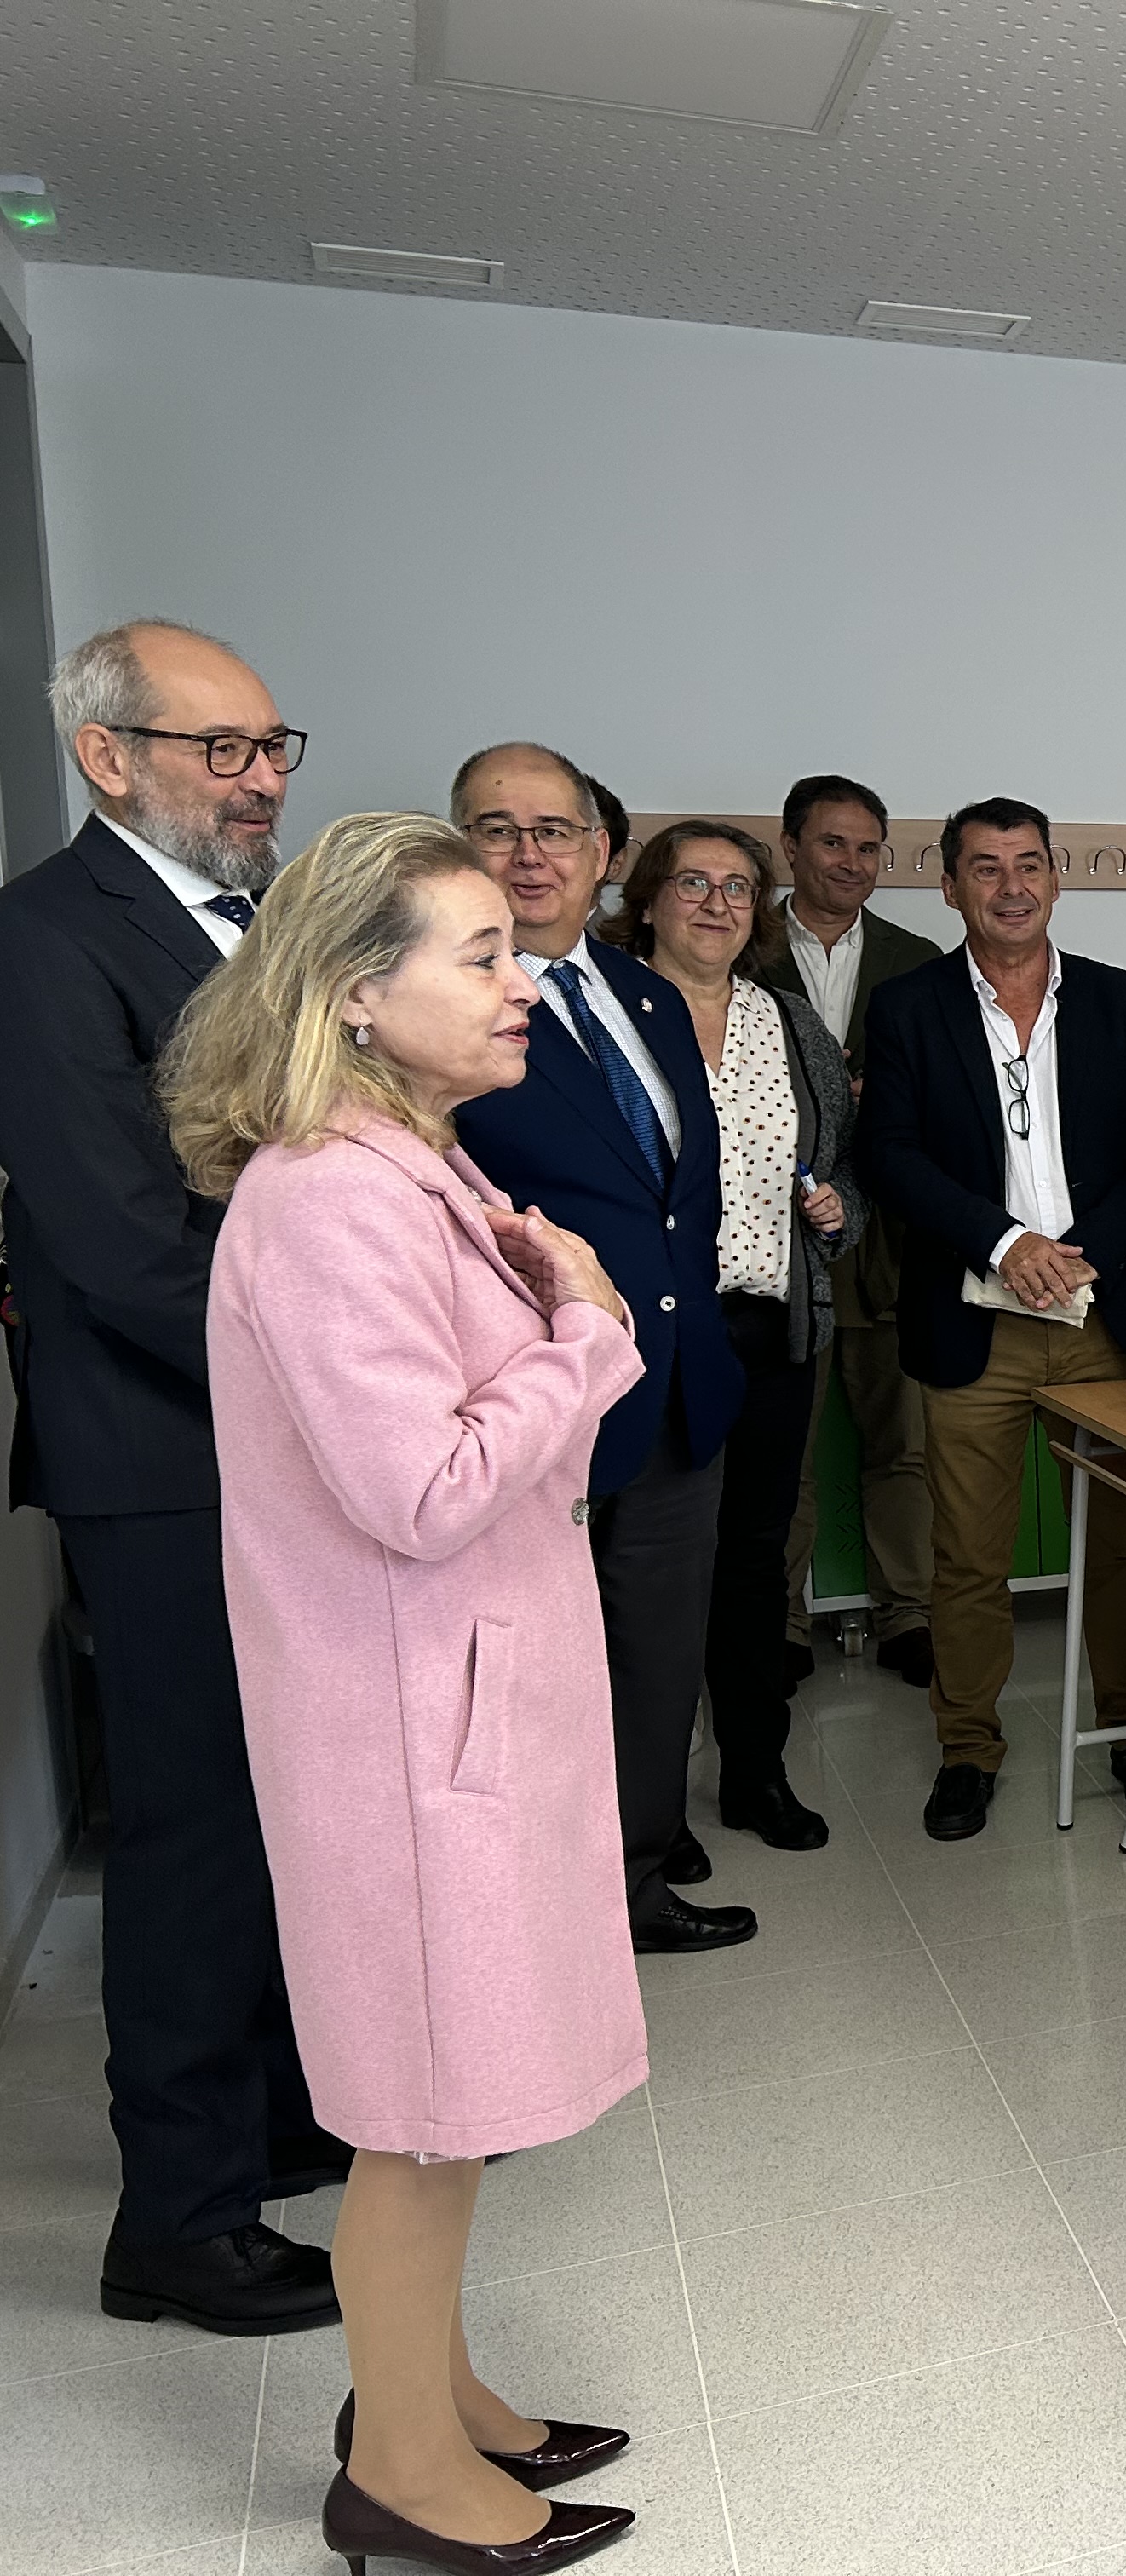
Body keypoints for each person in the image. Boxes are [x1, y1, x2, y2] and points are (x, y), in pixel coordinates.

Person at [165, 812, 649, 2574]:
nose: (522, 981)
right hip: (404, 1724)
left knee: (454, 2095)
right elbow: (423, 1489)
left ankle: (435, 2394)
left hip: (455, 1698)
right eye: (482, 955)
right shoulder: (324, 1200)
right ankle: (399, 2479)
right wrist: (586, 1335)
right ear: (360, 992)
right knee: (420, 2112)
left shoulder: (404, 1159)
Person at [0, 621, 348, 2334]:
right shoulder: (49, 938)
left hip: (284, 1452)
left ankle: (276, 2119)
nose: (263, 774)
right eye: (223, 747)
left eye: (274, 744)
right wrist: (360, 1361)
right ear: (109, 756)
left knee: (289, 1813)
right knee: (199, 1829)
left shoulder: (270, 924)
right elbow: (124, 1245)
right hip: (172, 1458)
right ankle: (183, 2218)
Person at [448, 743, 753, 1955]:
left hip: (675, 1392)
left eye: (555, 832)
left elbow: (691, 1192)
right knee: (531, 1683)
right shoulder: (439, 1007)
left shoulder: (641, 995)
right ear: (457, 848)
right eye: (496, 829)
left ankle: (632, 1882)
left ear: (602, 855)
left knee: (655, 1660)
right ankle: (535, 1910)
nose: (530, 855)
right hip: (535, 1412)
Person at [858, 796, 1126, 1843]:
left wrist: (1084, 1247)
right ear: (950, 885)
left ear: (1056, 877)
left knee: (1120, 1547)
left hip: (1099, 1317)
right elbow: (891, 1153)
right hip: (977, 1319)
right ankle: (968, 1746)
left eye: (1029, 865)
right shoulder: (910, 1007)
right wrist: (1008, 1244)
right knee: (969, 1554)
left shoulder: (1118, 1001)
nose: (1011, 886)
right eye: (986, 868)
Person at [620, 821, 862, 1851]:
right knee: (651, 1570)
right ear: (647, 900)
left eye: (737, 887)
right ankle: (648, 1807)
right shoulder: (605, 1011)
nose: (717, 904)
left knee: (757, 1563)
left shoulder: (790, 1022)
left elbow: (842, 1162)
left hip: (771, 1326)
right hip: (645, 1338)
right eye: (693, 884)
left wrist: (840, 1208)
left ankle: (756, 1774)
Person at [761, 773, 941, 1690]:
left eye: (868, 848)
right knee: (782, 1447)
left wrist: (885, 1101)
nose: (852, 863)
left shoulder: (917, 960)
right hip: (773, 1234)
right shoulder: (743, 949)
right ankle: (781, 1627)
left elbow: (949, 1098)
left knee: (897, 1441)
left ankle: (909, 1614)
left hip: (890, 1236)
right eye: (833, 844)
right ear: (790, 847)